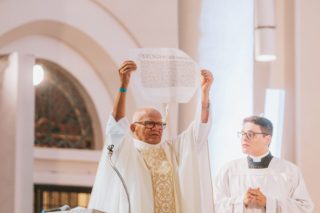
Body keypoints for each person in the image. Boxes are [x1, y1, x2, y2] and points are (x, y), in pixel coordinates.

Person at [89, 60, 214, 213]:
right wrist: (123, 86)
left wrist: (205, 94)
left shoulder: (171, 150)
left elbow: (198, 133)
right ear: (133, 127)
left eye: (160, 124)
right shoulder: (127, 150)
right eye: (150, 123)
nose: (157, 128)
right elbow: (116, 125)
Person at [214, 115, 314, 213]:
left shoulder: (289, 171)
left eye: (250, 134)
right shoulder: (228, 170)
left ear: (267, 139)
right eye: (242, 133)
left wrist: (269, 203)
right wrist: (241, 202)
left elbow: (305, 208)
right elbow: (214, 206)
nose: (244, 138)